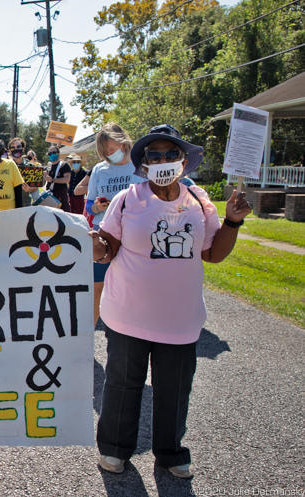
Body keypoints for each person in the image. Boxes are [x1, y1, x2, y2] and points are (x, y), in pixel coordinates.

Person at [90, 124, 252, 479]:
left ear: (183, 160)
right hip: (127, 314)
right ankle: (114, 450)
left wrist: (233, 222)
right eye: (154, 154)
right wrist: (94, 245)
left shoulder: (199, 201)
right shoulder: (128, 199)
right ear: (144, 163)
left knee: (174, 390)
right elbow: (106, 249)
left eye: (170, 154)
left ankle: (170, 452)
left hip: (180, 320)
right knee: (122, 385)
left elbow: (213, 254)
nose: (162, 160)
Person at [85, 123, 147, 328]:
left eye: (112, 150)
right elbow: (89, 205)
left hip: (131, 235)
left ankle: (130, 330)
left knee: (130, 288)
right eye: (105, 152)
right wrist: (95, 207)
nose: (109, 155)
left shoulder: (140, 167)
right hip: (103, 235)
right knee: (96, 287)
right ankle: (89, 338)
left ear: (123, 142)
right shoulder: (99, 170)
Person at [8, 137, 39, 206]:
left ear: (23, 148)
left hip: (25, 204)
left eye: (18, 146)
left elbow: (35, 187)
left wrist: (30, 189)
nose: (16, 149)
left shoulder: (30, 166)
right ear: (10, 150)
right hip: (10, 205)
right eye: (13, 148)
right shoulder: (7, 166)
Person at [44, 145, 72, 213]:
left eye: (54, 152)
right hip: (50, 195)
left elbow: (67, 179)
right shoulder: (48, 167)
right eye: (49, 154)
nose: (51, 155)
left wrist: (53, 180)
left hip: (61, 195)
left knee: (65, 215)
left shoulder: (64, 165)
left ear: (58, 153)